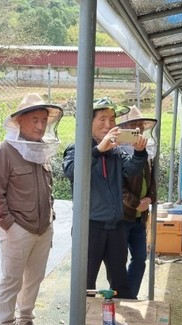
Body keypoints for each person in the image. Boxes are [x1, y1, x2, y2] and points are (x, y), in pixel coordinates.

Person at [0, 93, 63, 325]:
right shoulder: (6, 150)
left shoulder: (42, 149)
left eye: (44, 120)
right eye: (35, 120)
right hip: (17, 228)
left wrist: (50, 218)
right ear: (19, 120)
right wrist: (8, 224)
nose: (40, 125)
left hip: (43, 227)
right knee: (11, 280)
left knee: (34, 278)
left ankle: (25, 323)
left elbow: (48, 188)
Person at [62, 97, 147, 299]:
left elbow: (131, 170)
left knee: (119, 281)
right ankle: (82, 318)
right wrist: (98, 150)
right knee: (85, 282)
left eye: (112, 119)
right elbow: (72, 172)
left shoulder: (116, 151)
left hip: (116, 226)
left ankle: (121, 313)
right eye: (102, 119)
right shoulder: (77, 149)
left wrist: (139, 153)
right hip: (89, 228)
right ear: (88, 122)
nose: (109, 124)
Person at [114, 105, 157, 298]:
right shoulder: (117, 152)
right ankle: (119, 297)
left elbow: (152, 179)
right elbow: (116, 186)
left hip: (140, 218)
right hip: (122, 216)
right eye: (133, 125)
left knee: (140, 258)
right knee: (118, 261)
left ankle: (130, 296)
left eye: (140, 124)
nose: (138, 128)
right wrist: (134, 203)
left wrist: (150, 198)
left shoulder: (145, 150)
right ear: (124, 128)